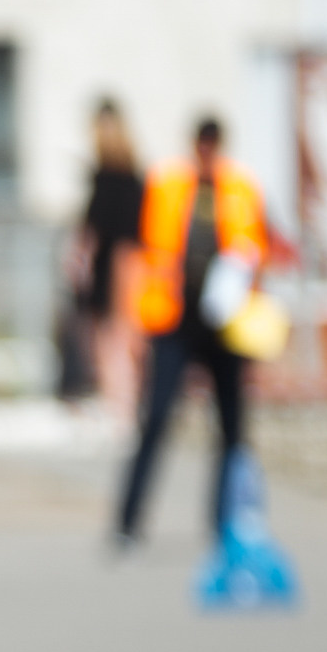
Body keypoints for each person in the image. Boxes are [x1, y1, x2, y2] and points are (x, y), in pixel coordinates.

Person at [112, 115, 267, 548]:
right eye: (202, 142)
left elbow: (259, 249)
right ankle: (128, 522)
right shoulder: (167, 184)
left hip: (226, 323)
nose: (207, 151)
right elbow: (140, 252)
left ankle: (225, 524)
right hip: (174, 319)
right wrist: (134, 326)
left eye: (213, 143)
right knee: (156, 420)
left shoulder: (241, 188)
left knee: (232, 429)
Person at [75, 99, 145, 415]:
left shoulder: (106, 178)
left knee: (111, 340)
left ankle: (119, 404)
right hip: (131, 260)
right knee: (125, 340)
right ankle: (125, 404)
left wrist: (81, 261)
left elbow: (93, 229)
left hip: (116, 263)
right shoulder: (133, 175)